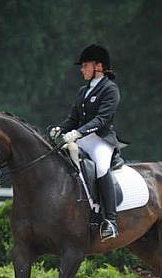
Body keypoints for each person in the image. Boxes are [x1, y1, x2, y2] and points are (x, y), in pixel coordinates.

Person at [49, 44, 121, 242]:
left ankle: (110, 221)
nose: (82, 69)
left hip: (100, 141)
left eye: (85, 65)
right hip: (80, 139)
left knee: (101, 168)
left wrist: (77, 133)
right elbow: (73, 118)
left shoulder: (110, 89)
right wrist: (60, 129)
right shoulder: (83, 91)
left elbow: (102, 119)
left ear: (98, 66)